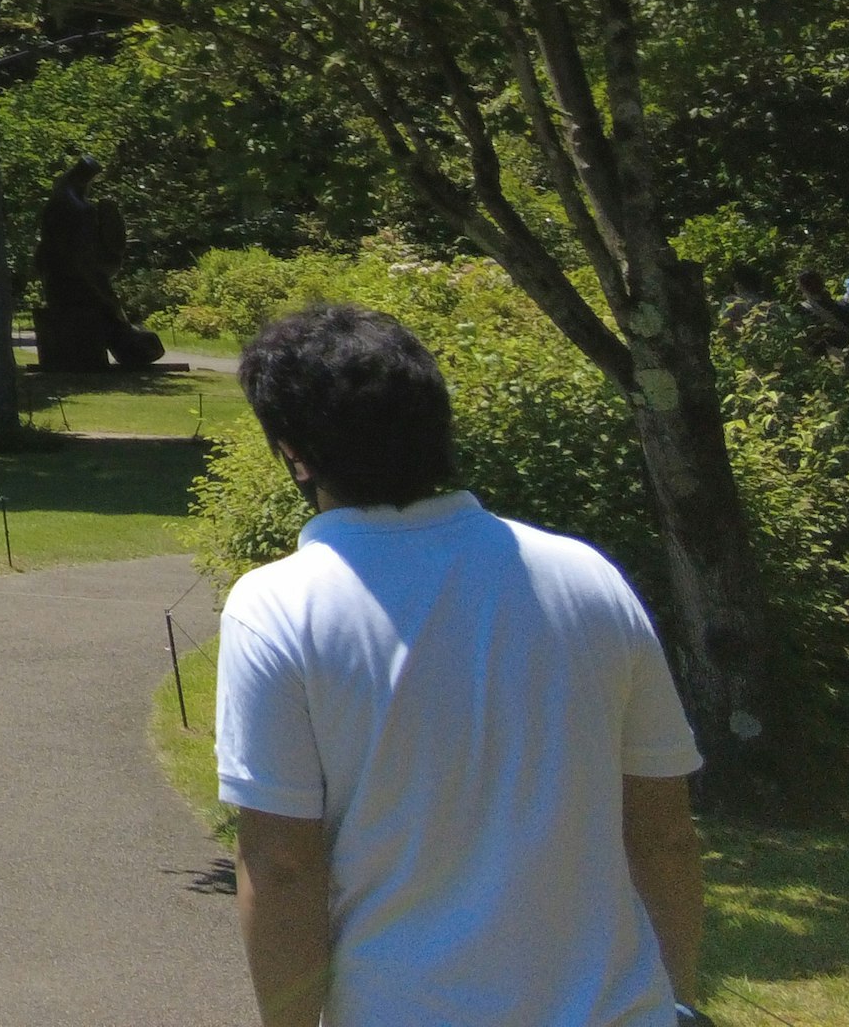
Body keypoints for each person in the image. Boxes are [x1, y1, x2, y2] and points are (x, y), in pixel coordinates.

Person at [217, 303, 705, 1027]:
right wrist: (679, 1003)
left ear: (294, 452)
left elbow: (284, 867)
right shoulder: (587, 578)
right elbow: (662, 831)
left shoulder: (278, 607)